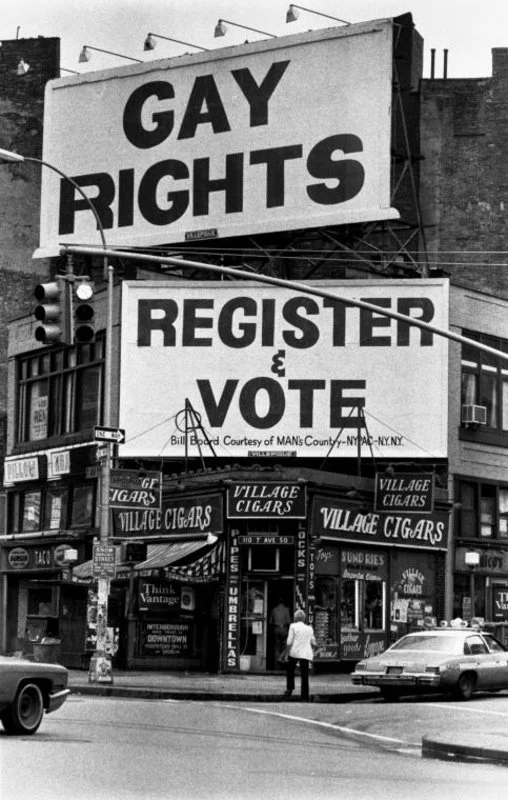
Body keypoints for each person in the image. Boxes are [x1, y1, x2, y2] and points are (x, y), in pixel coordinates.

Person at [284, 609, 316, 701]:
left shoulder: (293, 626)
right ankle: (304, 696)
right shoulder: (309, 628)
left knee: (290, 671)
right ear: (304, 618)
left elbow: (289, 642)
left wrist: (286, 654)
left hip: (294, 652)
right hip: (305, 654)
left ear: (295, 618)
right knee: (304, 675)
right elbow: (313, 642)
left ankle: (289, 689)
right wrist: (312, 651)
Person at [269, 598, 291, 667]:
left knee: (277, 645)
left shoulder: (274, 609)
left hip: (276, 629)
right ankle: (282, 659)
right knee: (285, 645)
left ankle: (277, 664)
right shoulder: (286, 609)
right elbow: (288, 621)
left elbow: (270, 621)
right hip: (284, 629)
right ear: (284, 602)